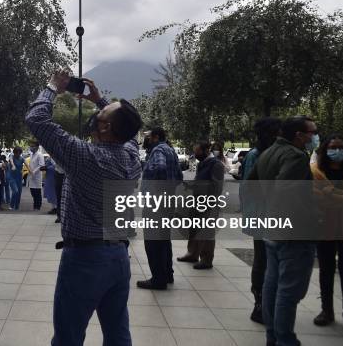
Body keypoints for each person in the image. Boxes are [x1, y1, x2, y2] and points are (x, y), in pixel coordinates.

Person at [26, 71, 142, 346]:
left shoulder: (84, 156)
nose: (96, 115)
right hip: (119, 257)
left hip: (85, 260)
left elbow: (36, 119)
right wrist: (100, 101)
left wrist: (53, 87)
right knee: (117, 332)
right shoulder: (131, 157)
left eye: (101, 115)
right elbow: (131, 135)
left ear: (104, 129)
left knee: (68, 335)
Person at [248, 115, 319, 346]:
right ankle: (285, 339)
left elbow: (251, 183)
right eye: (311, 132)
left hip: (273, 229)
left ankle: (272, 336)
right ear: (299, 135)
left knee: (271, 287)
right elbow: (285, 190)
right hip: (293, 232)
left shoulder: (267, 152)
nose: (314, 137)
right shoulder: (296, 156)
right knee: (288, 292)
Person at [239, 117, 282, 324]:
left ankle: (270, 302)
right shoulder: (256, 156)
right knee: (262, 260)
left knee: (273, 261)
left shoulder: (278, 154)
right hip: (262, 217)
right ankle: (260, 303)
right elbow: (249, 190)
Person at [310, 134, 343, 336]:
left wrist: (330, 194)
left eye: (341, 147)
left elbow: (326, 198)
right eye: (333, 147)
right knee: (325, 271)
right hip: (324, 226)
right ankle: (327, 311)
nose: (337, 151)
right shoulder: (317, 172)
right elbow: (317, 199)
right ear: (326, 150)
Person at [137, 127, 183, 290]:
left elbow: (160, 168)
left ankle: (158, 279)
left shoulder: (158, 151)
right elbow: (179, 176)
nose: (145, 139)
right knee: (164, 240)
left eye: (148, 137)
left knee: (153, 242)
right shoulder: (170, 150)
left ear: (156, 137)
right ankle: (167, 274)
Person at [177, 140, 224, 269]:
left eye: (197, 152)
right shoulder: (202, 163)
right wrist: (190, 185)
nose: (195, 154)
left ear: (206, 151)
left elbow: (216, 186)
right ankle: (192, 253)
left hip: (208, 203)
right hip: (197, 201)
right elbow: (201, 181)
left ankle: (206, 259)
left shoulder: (216, 164)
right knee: (194, 229)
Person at [27, 141, 45, 210]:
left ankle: (37, 206)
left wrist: (33, 172)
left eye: (33, 146)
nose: (31, 147)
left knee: (37, 192)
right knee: (32, 191)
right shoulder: (32, 154)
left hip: (37, 176)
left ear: (37, 147)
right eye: (31, 146)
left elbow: (41, 165)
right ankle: (35, 205)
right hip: (31, 176)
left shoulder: (39, 155)